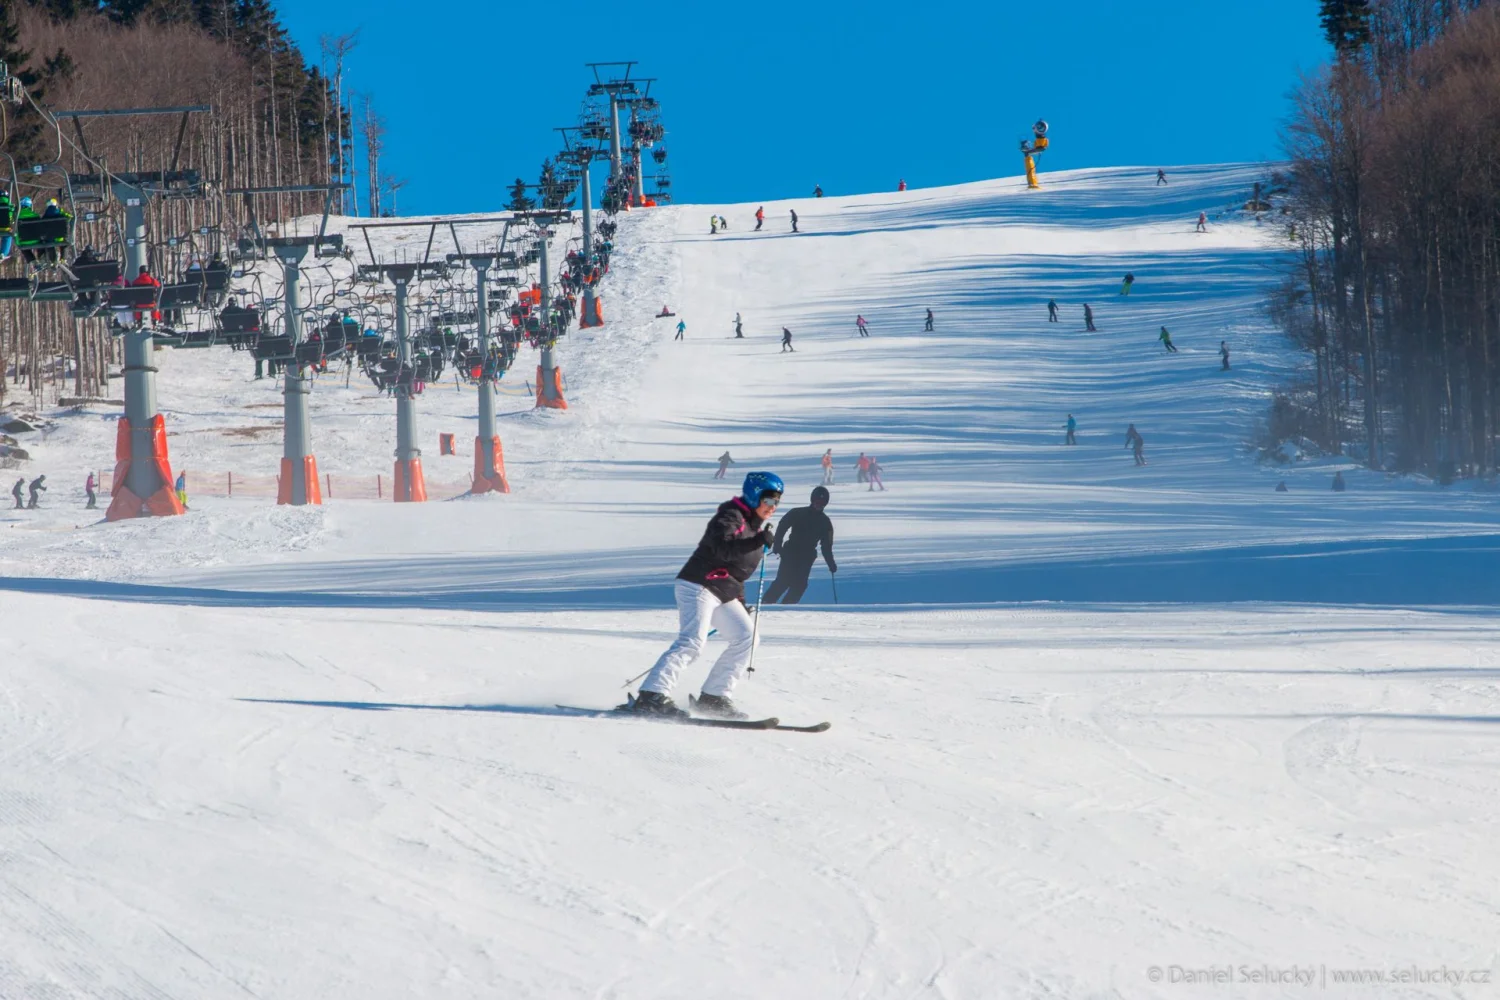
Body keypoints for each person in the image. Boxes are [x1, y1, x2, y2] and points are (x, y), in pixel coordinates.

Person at [626, 471, 783, 720]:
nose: (774, 507)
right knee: (692, 642)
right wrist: (757, 542)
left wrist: (740, 603)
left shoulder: (754, 529)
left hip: (723, 591)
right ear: (755, 496)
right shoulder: (731, 516)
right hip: (698, 584)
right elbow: (723, 548)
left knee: (746, 638)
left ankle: (714, 697)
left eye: (778, 502)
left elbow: (737, 573)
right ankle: (651, 696)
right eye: (770, 500)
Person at [765, 486, 836, 605]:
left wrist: (831, 563)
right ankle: (766, 603)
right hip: (790, 552)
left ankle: (787, 606)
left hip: (807, 556)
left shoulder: (825, 522)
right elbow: (783, 526)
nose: (819, 505)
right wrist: (777, 544)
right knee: (783, 581)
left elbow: (826, 546)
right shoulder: (797, 513)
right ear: (812, 500)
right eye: (817, 501)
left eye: (822, 503)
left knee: (800, 584)